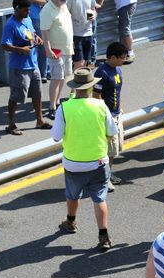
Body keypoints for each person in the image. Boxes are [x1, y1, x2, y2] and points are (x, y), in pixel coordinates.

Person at [52, 67, 118, 250]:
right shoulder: (101, 105)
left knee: (72, 194)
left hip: (73, 162)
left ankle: (71, 222)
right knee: (99, 198)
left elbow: (56, 136)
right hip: (98, 161)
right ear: (91, 87)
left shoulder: (64, 107)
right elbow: (112, 132)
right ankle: (104, 236)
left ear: (74, 88)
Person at [1, 0, 51, 136]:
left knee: (37, 94)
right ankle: (11, 124)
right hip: (19, 68)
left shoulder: (27, 19)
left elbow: (32, 32)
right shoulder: (10, 25)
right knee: (16, 96)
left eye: (28, 10)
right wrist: (20, 49)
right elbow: (5, 45)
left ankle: (40, 121)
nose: (28, 12)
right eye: (25, 10)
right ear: (17, 9)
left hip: (33, 65)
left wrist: (37, 38)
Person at [93, 42, 128, 191]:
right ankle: (104, 179)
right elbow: (96, 95)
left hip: (116, 114)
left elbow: (117, 92)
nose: (124, 61)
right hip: (107, 117)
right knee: (109, 150)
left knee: (115, 148)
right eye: (121, 58)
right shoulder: (102, 72)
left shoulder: (117, 69)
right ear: (113, 57)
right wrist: (104, 115)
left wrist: (119, 108)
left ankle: (108, 173)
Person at [40, 0, 74, 118]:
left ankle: (57, 102)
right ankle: (52, 107)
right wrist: (48, 50)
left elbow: (67, 26)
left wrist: (71, 42)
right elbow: (44, 32)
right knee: (56, 78)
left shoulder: (63, 6)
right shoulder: (47, 9)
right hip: (56, 51)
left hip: (67, 49)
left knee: (63, 77)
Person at [67, 0, 96, 69]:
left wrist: (94, 15)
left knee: (86, 62)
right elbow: (66, 13)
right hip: (76, 34)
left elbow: (93, 9)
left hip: (88, 33)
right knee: (79, 63)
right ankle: (76, 79)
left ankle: (83, 79)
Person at [29, 0, 49, 84]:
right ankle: (41, 73)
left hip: (44, 16)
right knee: (39, 46)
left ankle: (45, 72)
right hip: (35, 17)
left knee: (44, 46)